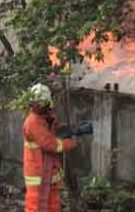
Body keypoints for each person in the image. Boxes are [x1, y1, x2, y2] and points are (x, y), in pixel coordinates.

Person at [22, 83, 93, 212]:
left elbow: (53, 131)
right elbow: (51, 145)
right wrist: (71, 143)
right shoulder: (33, 122)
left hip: (50, 170)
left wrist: (66, 129)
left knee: (53, 202)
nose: (39, 106)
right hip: (37, 172)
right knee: (35, 205)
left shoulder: (47, 118)